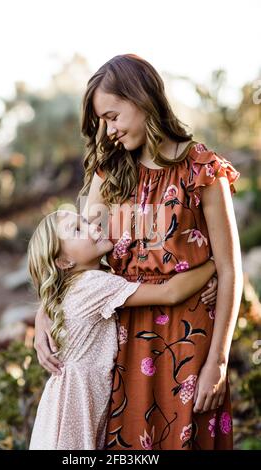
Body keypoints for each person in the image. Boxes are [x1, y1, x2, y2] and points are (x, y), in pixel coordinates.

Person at [34, 54, 243, 450]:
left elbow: (232, 270)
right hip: (124, 345)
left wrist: (218, 360)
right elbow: (74, 257)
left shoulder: (203, 170)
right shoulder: (110, 173)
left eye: (113, 116)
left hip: (191, 343)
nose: (109, 130)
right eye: (102, 122)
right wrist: (45, 310)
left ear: (142, 98)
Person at [28, 209, 217, 450]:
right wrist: (216, 263)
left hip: (65, 403)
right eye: (77, 229)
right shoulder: (92, 284)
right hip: (74, 408)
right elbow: (170, 293)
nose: (92, 227)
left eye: (85, 221)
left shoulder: (78, 286)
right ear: (64, 262)